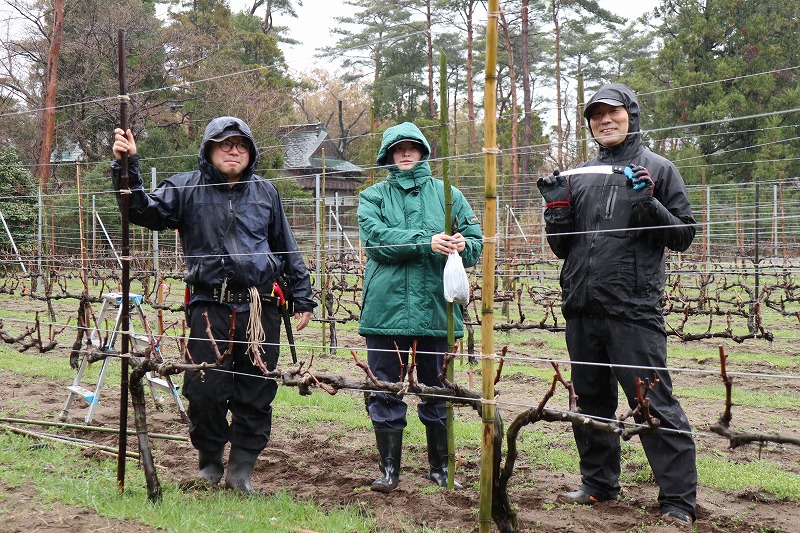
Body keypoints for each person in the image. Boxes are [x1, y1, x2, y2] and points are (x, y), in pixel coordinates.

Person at [111, 116, 315, 494]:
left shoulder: (266, 191)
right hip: (209, 306)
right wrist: (128, 166)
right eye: (224, 144)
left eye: (241, 145)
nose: (233, 150)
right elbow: (141, 210)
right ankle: (209, 462)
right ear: (209, 149)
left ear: (250, 153)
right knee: (204, 389)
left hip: (259, 307)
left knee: (255, 390)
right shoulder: (185, 187)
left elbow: (285, 244)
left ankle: (241, 470)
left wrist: (302, 295)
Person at [536, 84, 697, 526]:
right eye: (597, 115)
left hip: (633, 308)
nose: (606, 121)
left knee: (652, 403)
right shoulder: (581, 175)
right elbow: (561, 248)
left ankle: (679, 501)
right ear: (589, 124)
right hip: (581, 305)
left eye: (615, 112)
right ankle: (598, 484)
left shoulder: (659, 169)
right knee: (590, 400)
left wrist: (650, 204)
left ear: (632, 115)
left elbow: (683, 235)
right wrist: (557, 212)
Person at [357, 122, 483, 492]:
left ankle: (441, 470)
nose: (406, 154)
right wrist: (424, 241)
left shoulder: (448, 195)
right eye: (398, 150)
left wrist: (463, 244)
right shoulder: (373, 196)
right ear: (389, 156)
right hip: (386, 311)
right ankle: (389, 470)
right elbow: (376, 241)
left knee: (438, 389)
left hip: (436, 309)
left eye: (412, 147)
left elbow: (475, 243)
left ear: (423, 152)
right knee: (386, 388)